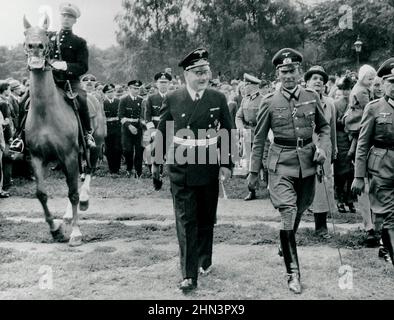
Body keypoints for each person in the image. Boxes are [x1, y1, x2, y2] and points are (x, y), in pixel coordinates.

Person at [247, 48, 330, 294]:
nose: (289, 76)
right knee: (288, 211)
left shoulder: (312, 96)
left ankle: (286, 238)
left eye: (293, 70)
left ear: (299, 71)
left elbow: (324, 129)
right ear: (278, 73)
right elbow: (259, 139)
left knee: (302, 206)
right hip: (280, 163)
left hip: (307, 162)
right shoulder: (269, 102)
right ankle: (293, 273)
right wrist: (253, 172)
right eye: (284, 72)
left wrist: (323, 149)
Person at [152, 48, 235, 293]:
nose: (203, 77)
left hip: (208, 165)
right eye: (198, 73)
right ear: (186, 74)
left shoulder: (218, 98)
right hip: (182, 167)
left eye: (206, 72)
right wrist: (157, 163)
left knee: (206, 218)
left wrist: (227, 163)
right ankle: (188, 275)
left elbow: (227, 132)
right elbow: (163, 131)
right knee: (186, 220)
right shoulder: (174, 98)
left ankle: (204, 258)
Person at [351, 57, 394, 266]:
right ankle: (389, 251)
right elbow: (362, 144)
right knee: (388, 211)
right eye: (391, 82)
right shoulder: (374, 108)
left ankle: (386, 245)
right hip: (381, 165)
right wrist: (359, 176)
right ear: (383, 84)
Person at [48, 2, 95, 148]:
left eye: (70, 17)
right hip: (50, 80)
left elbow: (83, 66)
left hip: (70, 81)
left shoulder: (79, 42)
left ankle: (87, 133)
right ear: (60, 18)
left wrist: (66, 66)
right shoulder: (49, 37)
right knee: (26, 98)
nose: (66, 19)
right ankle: (19, 136)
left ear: (74, 20)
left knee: (81, 98)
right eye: (64, 16)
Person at [344, 64, 377, 246]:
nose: (373, 84)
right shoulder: (363, 92)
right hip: (360, 130)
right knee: (364, 186)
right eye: (371, 80)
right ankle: (369, 226)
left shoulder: (363, 89)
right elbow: (367, 110)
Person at [305, 66, 337, 238]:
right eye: (314, 78)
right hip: (305, 147)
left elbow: (330, 130)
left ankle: (321, 226)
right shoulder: (301, 101)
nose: (318, 81)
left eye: (321, 79)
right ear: (307, 82)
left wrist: (333, 150)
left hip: (324, 148)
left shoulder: (330, 103)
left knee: (323, 185)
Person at [235, 73, 264, 200]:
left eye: (246, 84)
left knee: (264, 163)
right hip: (248, 135)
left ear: (253, 86)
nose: (244, 87)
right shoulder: (245, 99)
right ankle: (252, 190)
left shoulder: (263, 99)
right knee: (250, 164)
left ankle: (271, 188)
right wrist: (241, 128)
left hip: (260, 134)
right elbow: (238, 116)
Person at [333, 75, 357, 214]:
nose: (347, 92)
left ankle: (350, 200)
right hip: (341, 138)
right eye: (344, 89)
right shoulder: (336, 104)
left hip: (352, 138)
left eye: (349, 89)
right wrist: (344, 121)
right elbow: (333, 124)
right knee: (340, 172)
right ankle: (340, 200)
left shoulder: (355, 102)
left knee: (352, 172)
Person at [118, 80, 144, 178]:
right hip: (127, 129)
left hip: (138, 128)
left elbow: (142, 115)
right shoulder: (124, 99)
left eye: (138, 88)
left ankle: (138, 171)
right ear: (129, 88)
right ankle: (129, 168)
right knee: (127, 150)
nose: (136, 90)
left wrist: (139, 125)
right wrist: (129, 126)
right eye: (134, 88)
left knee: (139, 150)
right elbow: (120, 116)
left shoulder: (141, 100)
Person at [102, 84, 122, 174]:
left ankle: (117, 168)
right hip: (108, 128)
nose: (111, 93)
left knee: (118, 148)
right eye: (108, 92)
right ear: (105, 93)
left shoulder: (119, 102)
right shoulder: (103, 103)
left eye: (112, 91)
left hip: (118, 127)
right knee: (109, 149)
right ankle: (111, 169)